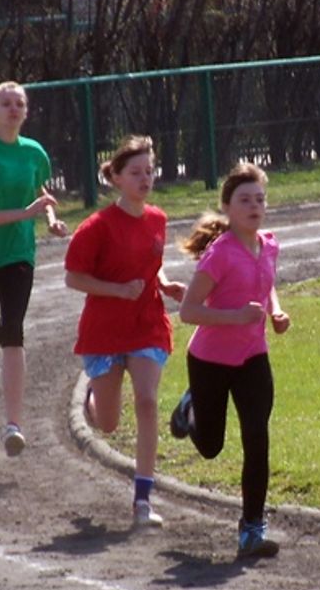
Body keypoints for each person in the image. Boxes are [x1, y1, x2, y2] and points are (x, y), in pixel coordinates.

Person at [64, 135, 186, 527]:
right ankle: (91, 405)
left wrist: (165, 283)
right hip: (104, 330)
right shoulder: (96, 227)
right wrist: (116, 289)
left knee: (147, 402)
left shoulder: (158, 219)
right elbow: (73, 278)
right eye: (135, 172)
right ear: (116, 177)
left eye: (149, 171)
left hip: (147, 324)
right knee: (110, 423)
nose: (145, 178)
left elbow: (153, 264)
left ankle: (142, 501)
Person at [171, 163, 291, 559]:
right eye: (244, 200)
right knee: (210, 446)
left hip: (253, 357)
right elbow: (188, 311)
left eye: (260, 199)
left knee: (257, 437)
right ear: (227, 207)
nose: (254, 206)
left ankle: (252, 530)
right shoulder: (219, 255)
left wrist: (275, 311)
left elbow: (266, 284)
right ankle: (189, 407)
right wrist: (236, 317)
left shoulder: (269, 243)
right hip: (209, 361)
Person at [0, 81, 67, 457]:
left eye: (19, 103)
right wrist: (23, 214)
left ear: (26, 111)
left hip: (20, 253)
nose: (13, 109)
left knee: (13, 329)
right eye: (5, 103)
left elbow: (41, 193)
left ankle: (13, 424)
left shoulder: (34, 152)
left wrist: (50, 218)